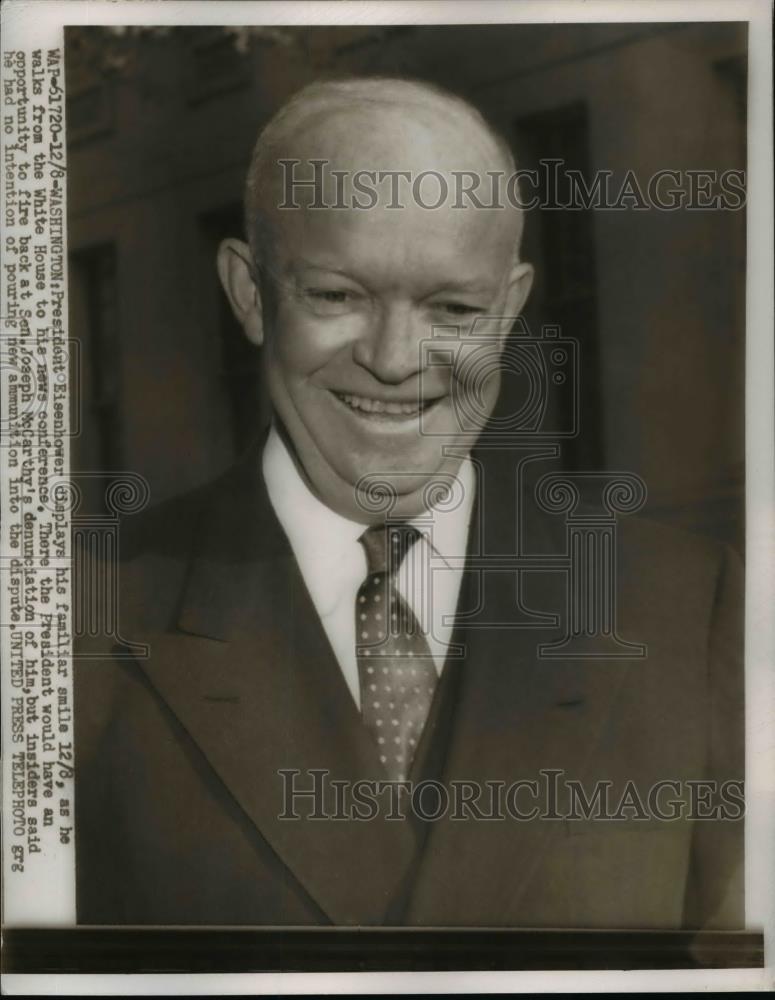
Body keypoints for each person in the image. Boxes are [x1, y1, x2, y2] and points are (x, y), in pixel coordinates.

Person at [74, 77, 744, 929]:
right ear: (250, 294)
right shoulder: (75, 623)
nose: (394, 359)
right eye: (336, 295)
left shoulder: (684, 607)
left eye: (452, 307)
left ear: (508, 311)